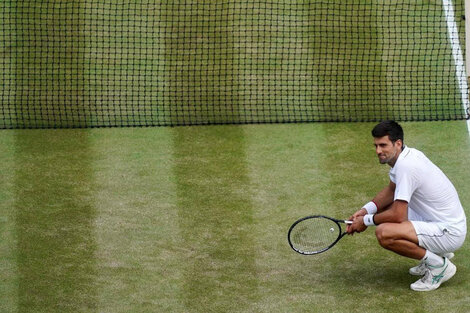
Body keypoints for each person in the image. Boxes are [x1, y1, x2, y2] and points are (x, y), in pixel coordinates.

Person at [346, 120, 466, 291]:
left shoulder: (406, 167)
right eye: (376, 146)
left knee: (384, 233)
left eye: (383, 145)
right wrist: (365, 210)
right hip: (441, 221)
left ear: (398, 143)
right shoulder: (408, 155)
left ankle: (438, 265)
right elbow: (391, 190)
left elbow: (397, 215)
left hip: (449, 233)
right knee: (387, 212)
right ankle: (435, 253)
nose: (378, 151)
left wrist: (365, 221)